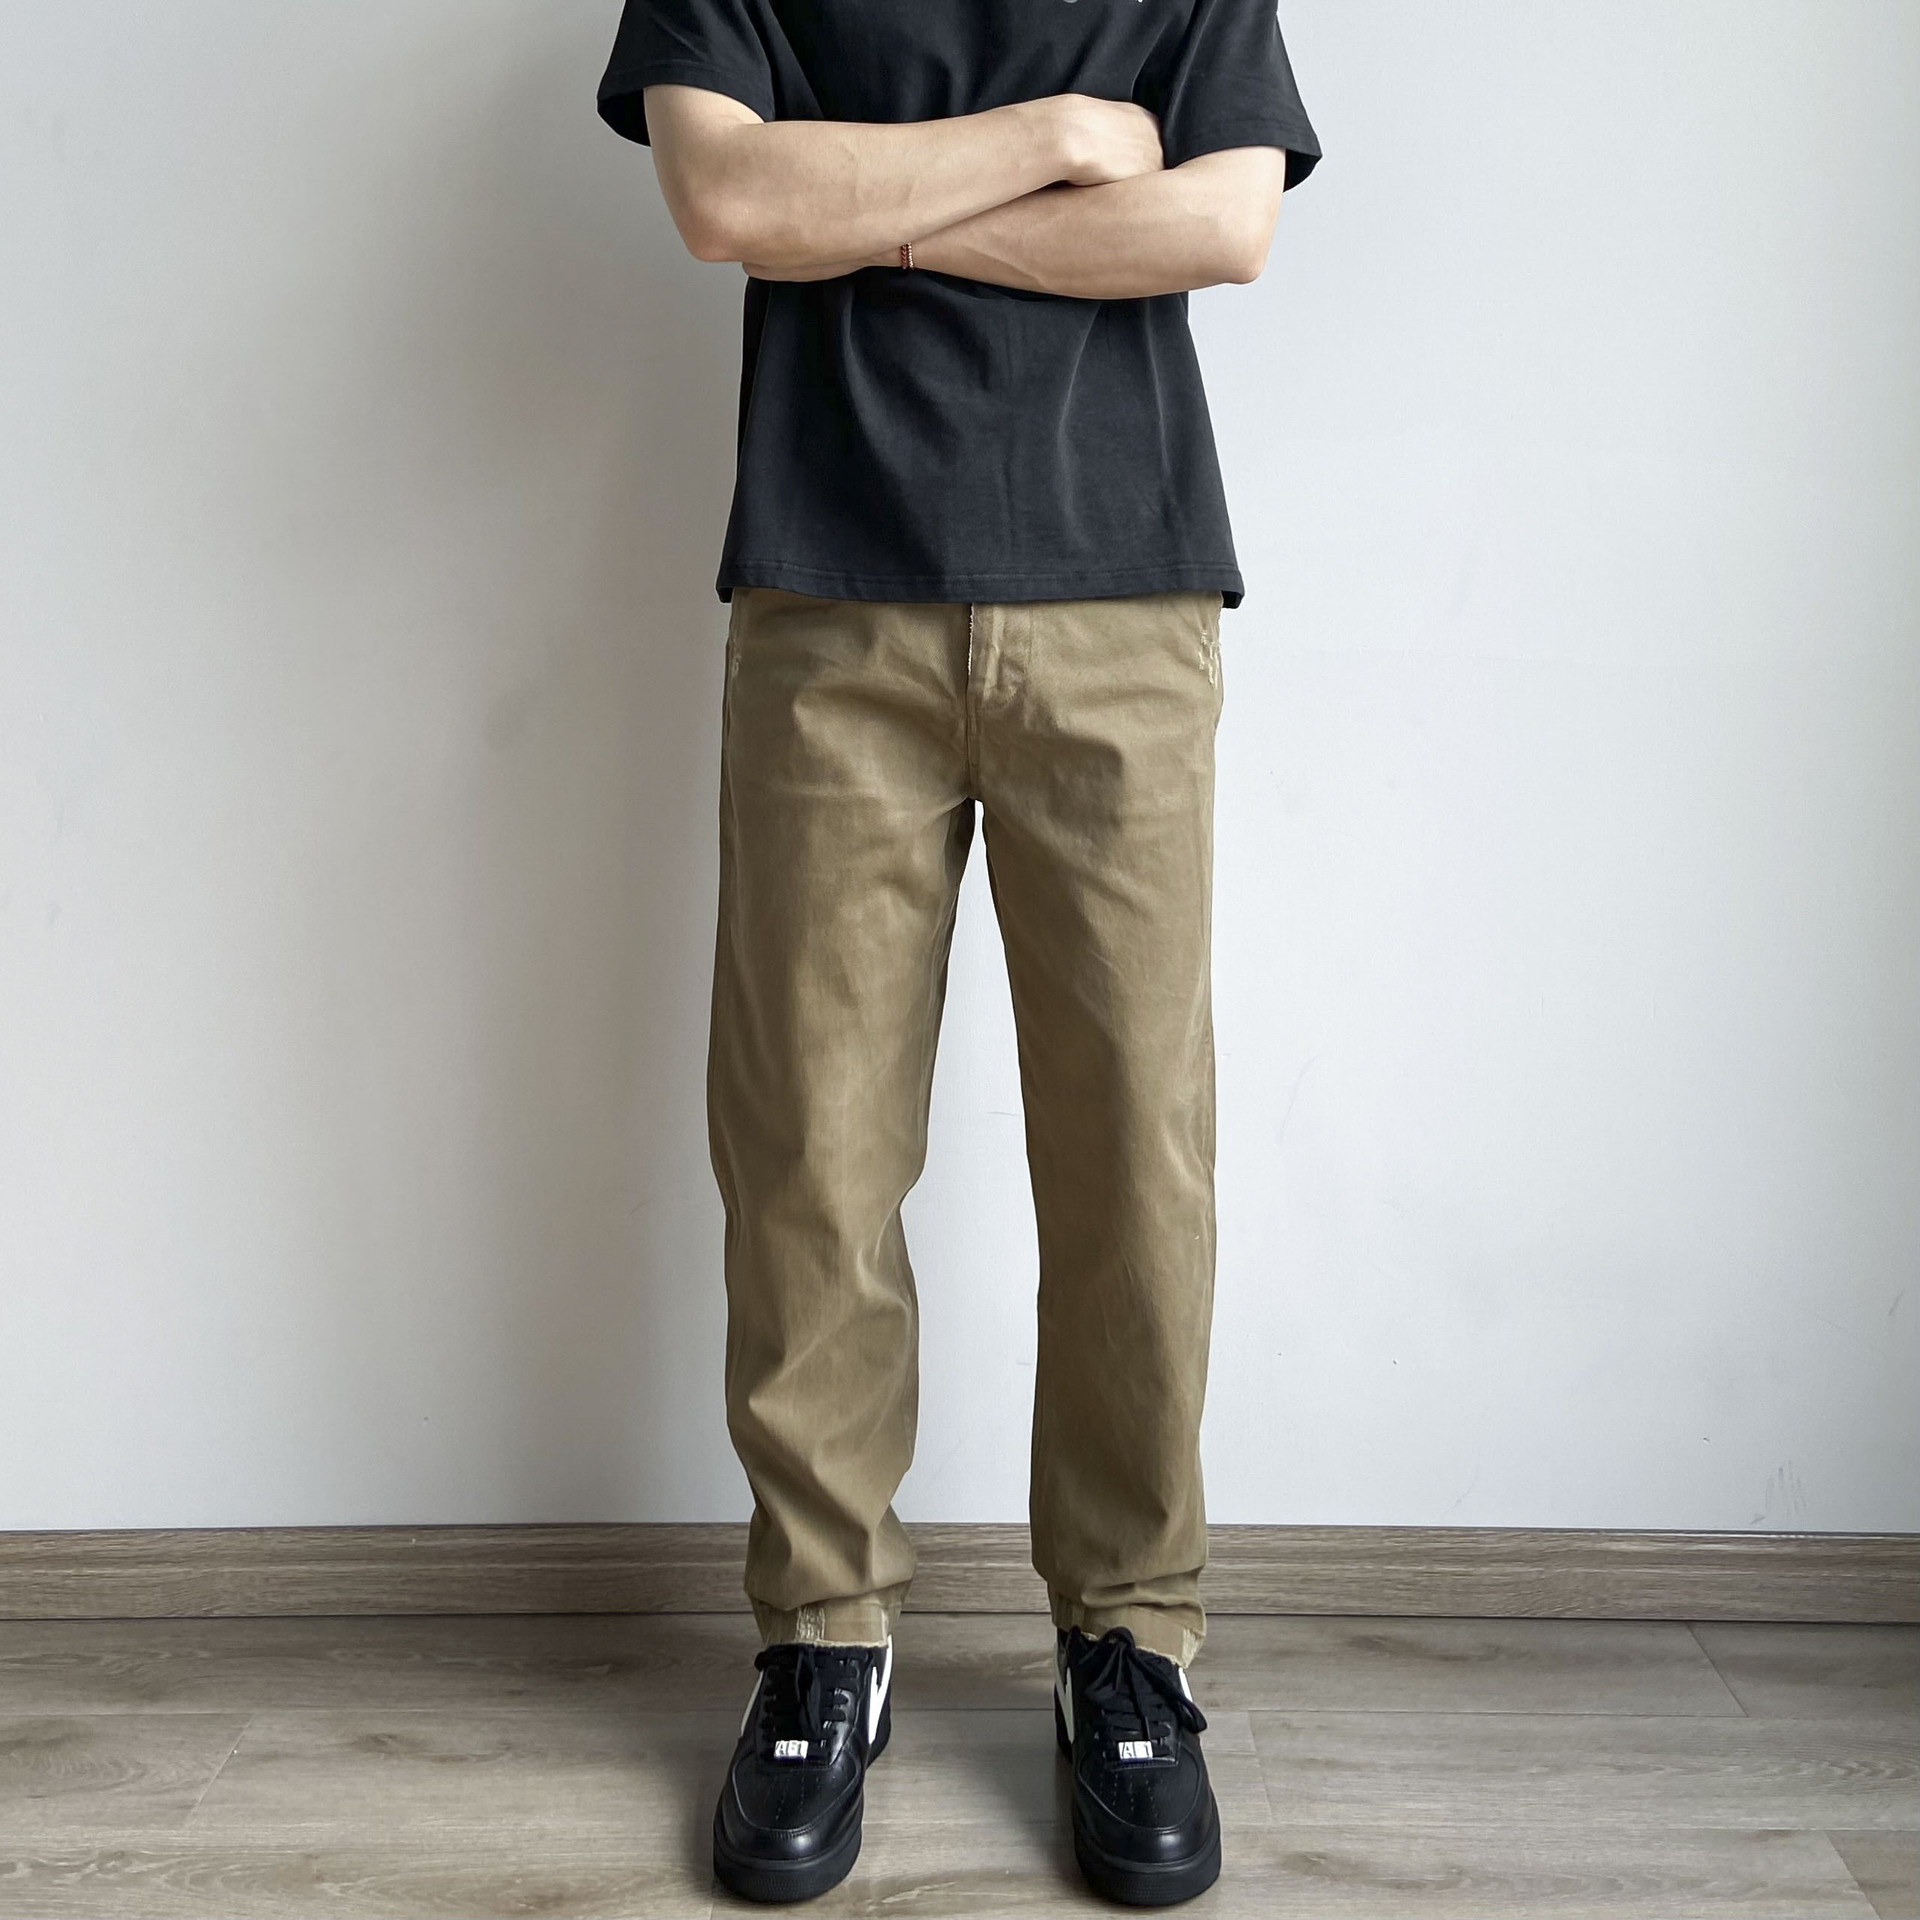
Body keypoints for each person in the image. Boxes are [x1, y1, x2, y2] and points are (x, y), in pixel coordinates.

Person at [596, 0, 1318, 1902]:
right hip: (831, 592)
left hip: (1123, 593)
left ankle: (1132, 1643)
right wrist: (1065, 139)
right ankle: (823, 1638)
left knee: (1135, 1155)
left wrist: (867, 211)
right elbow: (725, 200)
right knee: (809, 1154)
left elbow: (1222, 222)